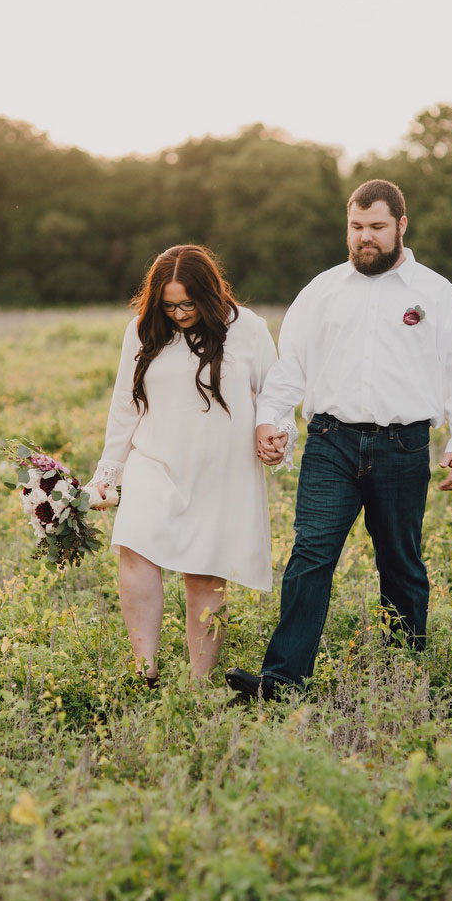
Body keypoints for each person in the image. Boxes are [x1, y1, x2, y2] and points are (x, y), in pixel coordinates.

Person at [225, 179, 452, 701]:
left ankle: (401, 676)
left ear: (401, 226)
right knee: (310, 556)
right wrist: (269, 419)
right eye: (357, 227)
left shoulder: (435, 293)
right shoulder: (321, 291)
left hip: (405, 444)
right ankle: (281, 680)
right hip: (330, 442)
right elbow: (289, 368)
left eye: (377, 228)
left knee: (400, 560)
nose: (365, 238)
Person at [89, 245, 293, 684]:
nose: (179, 313)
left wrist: (275, 434)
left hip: (221, 470)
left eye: (188, 303)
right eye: (169, 304)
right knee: (135, 548)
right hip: (154, 460)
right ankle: (144, 671)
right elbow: (125, 405)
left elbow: (276, 396)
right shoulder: (142, 331)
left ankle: (200, 684)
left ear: (210, 293)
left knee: (204, 575)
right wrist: (109, 472)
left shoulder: (249, 329)